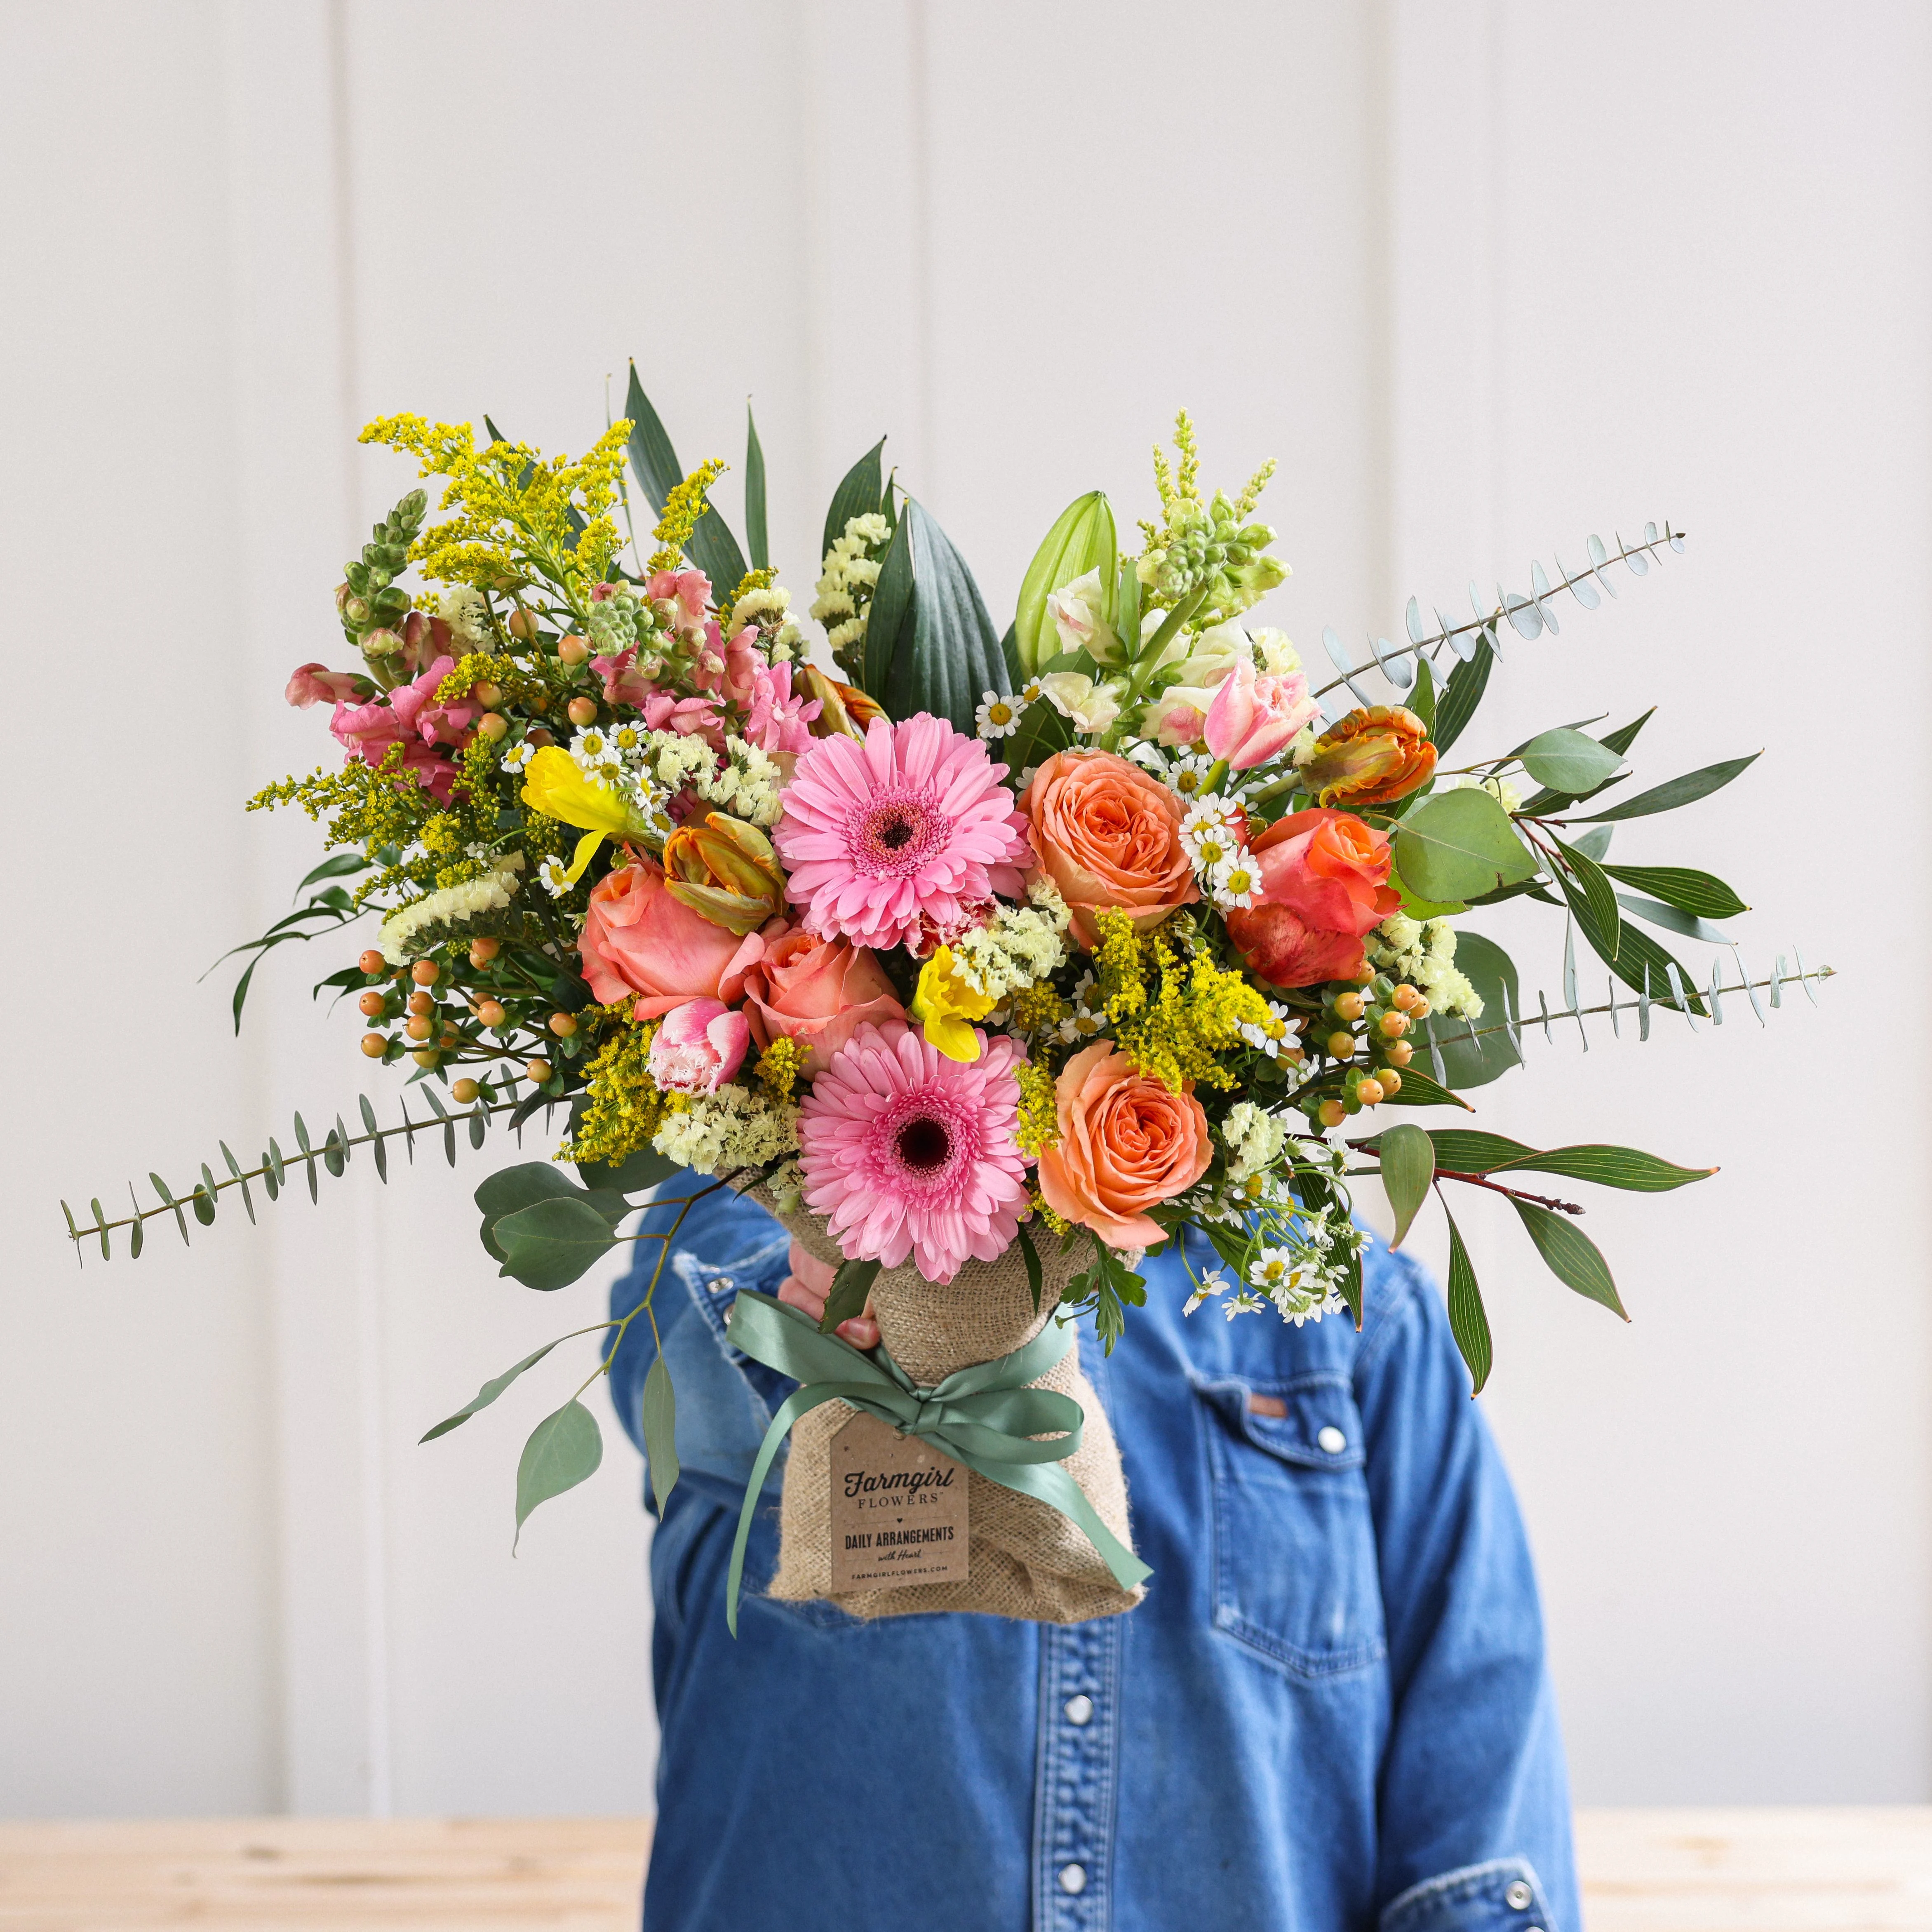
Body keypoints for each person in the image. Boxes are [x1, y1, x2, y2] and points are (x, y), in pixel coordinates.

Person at [608, 1180, 1578, 1932]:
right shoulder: (736, 1238)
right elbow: (692, 1377)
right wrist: (850, 1292)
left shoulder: (1337, 1306)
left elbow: (1477, 1754)